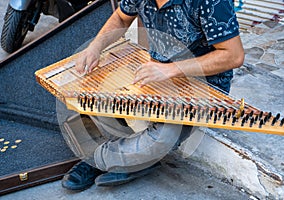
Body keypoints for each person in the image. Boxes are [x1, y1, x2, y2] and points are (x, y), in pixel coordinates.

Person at [61, 0, 244, 191]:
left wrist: (172, 69)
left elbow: (233, 56)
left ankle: (97, 159)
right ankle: (132, 158)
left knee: (164, 137)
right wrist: (95, 46)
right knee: (98, 95)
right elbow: (121, 18)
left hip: (202, 83)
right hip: (157, 72)